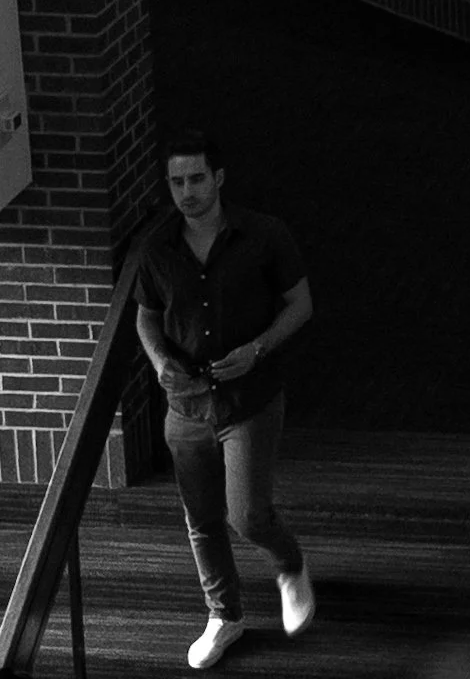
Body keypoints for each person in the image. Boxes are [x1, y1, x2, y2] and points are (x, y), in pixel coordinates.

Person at [133, 130, 318, 669]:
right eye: (176, 182)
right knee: (201, 521)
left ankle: (290, 567)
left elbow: (300, 304)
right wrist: (159, 360)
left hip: (249, 402)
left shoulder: (263, 235)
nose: (186, 191)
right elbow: (146, 313)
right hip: (186, 406)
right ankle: (223, 615)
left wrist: (256, 351)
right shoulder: (157, 249)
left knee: (248, 515)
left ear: (217, 178)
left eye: (195, 179)